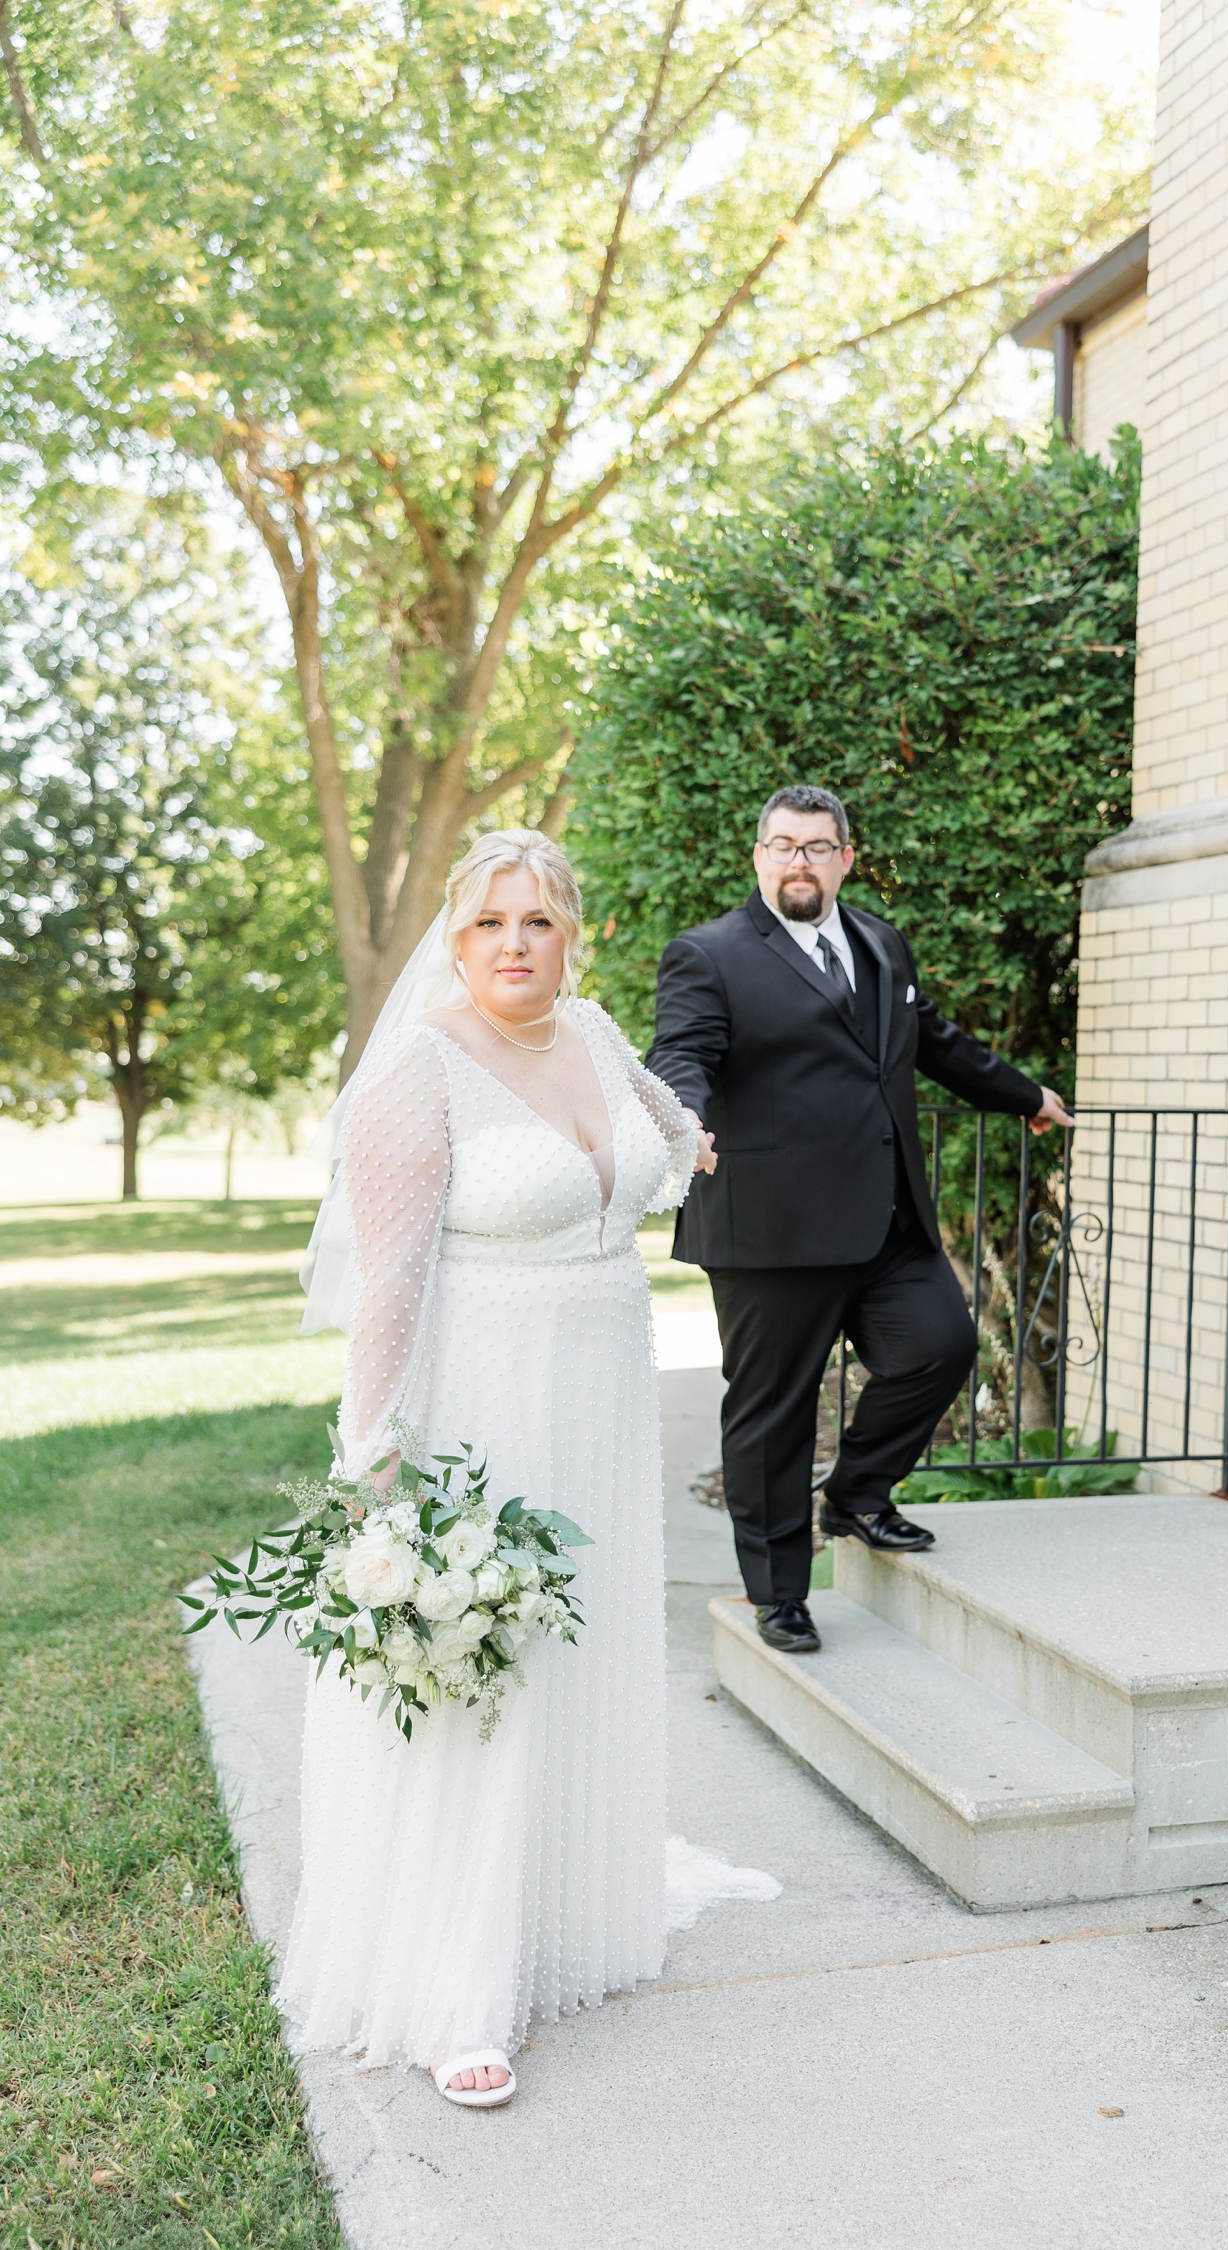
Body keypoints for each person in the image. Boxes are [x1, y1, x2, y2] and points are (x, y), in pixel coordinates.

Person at [286, 829, 721, 2109]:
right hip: (486, 1404)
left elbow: (666, 1128)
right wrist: (373, 1457)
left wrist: (694, 1144)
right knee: (490, 1675)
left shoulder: (592, 1034)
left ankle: (570, 1920)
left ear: (569, 932)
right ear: (456, 940)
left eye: (536, 922)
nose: (514, 947)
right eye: (487, 926)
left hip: (598, 1389)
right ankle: (457, 1992)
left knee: (579, 1657)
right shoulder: (418, 1071)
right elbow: (391, 1280)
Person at [645, 785, 1073, 1655]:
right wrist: (680, 1118)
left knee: (941, 1348)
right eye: (782, 845)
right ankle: (779, 1594)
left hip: (884, 1220)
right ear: (758, 857)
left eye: (816, 846)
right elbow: (681, 1052)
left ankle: (857, 1496)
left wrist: (1022, 1094)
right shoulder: (708, 954)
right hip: (770, 1229)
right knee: (774, 1414)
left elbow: (934, 1039)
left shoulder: (880, 940)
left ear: (845, 857)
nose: (798, 860)